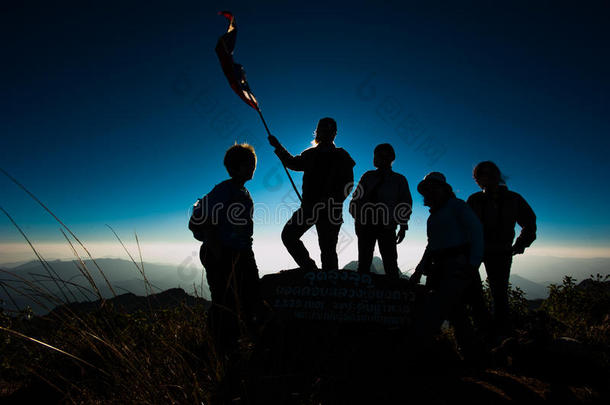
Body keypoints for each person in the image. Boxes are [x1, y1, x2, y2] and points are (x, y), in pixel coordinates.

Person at [188, 143, 260, 353]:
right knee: (224, 299)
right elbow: (208, 223)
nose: (253, 168)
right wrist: (218, 253)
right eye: (249, 165)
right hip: (222, 252)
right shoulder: (224, 190)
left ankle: (239, 341)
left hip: (241, 252)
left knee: (248, 295)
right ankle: (219, 347)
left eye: (253, 164)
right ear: (235, 168)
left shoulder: (242, 191)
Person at [410, 172, 487, 357]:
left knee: (438, 308)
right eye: (427, 189)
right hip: (440, 266)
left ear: (444, 188)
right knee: (455, 310)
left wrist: (473, 263)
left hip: (456, 265)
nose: (429, 192)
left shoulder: (457, 206)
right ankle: (470, 352)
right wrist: (419, 270)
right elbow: (432, 245)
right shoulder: (435, 215)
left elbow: (476, 232)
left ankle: (422, 350)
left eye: (433, 187)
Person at [268, 117, 355, 271]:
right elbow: (293, 163)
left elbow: (348, 184)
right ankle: (315, 273)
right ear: (319, 132)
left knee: (321, 248)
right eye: (324, 129)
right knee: (296, 238)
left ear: (334, 133)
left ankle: (315, 273)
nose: (327, 133)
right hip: (322, 209)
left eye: (330, 130)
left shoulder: (339, 155)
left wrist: (331, 200)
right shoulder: (320, 155)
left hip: (320, 209)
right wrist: (278, 147)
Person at [467, 161, 537, 337]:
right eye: (482, 175)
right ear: (478, 179)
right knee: (476, 292)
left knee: (498, 295)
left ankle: (500, 334)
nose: (486, 178)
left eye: (490, 174)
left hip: (499, 251)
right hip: (477, 251)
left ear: (497, 176)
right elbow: (464, 226)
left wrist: (521, 244)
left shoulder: (513, 199)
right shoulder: (475, 200)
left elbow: (529, 223)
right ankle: (486, 330)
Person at [349, 143, 412, 278]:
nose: (380, 158)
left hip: (386, 227)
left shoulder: (399, 180)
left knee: (390, 263)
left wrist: (403, 226)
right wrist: (359, 220)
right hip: (367, 226)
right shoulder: (368, 177)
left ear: (391, 158)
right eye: (378, 155)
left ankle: (392, 293)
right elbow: (355, 201)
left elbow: (405, 203)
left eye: (383, 155)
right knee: (365, 263)